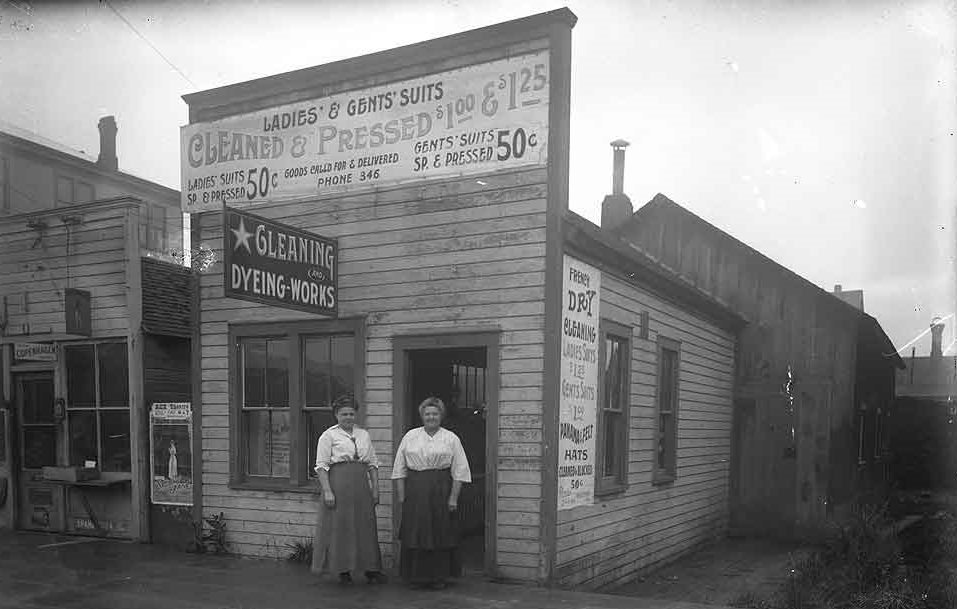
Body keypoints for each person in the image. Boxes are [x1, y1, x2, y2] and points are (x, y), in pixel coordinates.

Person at [392, 397, 471, 589]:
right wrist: (402, 497)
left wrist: (453, 498)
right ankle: (415, 577)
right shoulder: (410, 436)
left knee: (440, 532)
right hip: (415, 491)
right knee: (416, 532)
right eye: (427, 414)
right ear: (422, 415)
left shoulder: (451, 438)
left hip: (441, 489)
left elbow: (460, 470)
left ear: (441, 415)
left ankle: (439, 577)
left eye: (435, 413)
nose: (431, 417)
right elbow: (399, 468)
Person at [312, 394, 385, 585]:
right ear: (336, 415)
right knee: (341, 526)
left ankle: (371, 569)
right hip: (339, 484)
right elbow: (322, 466)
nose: (348, 417)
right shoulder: (328, 436)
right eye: (344, 414)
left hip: (361, 485)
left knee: (366, 525)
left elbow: (372, 464)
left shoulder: (363, 434)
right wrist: (328, 491)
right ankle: (343, 570)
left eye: (351, 413)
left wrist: (375, 488)